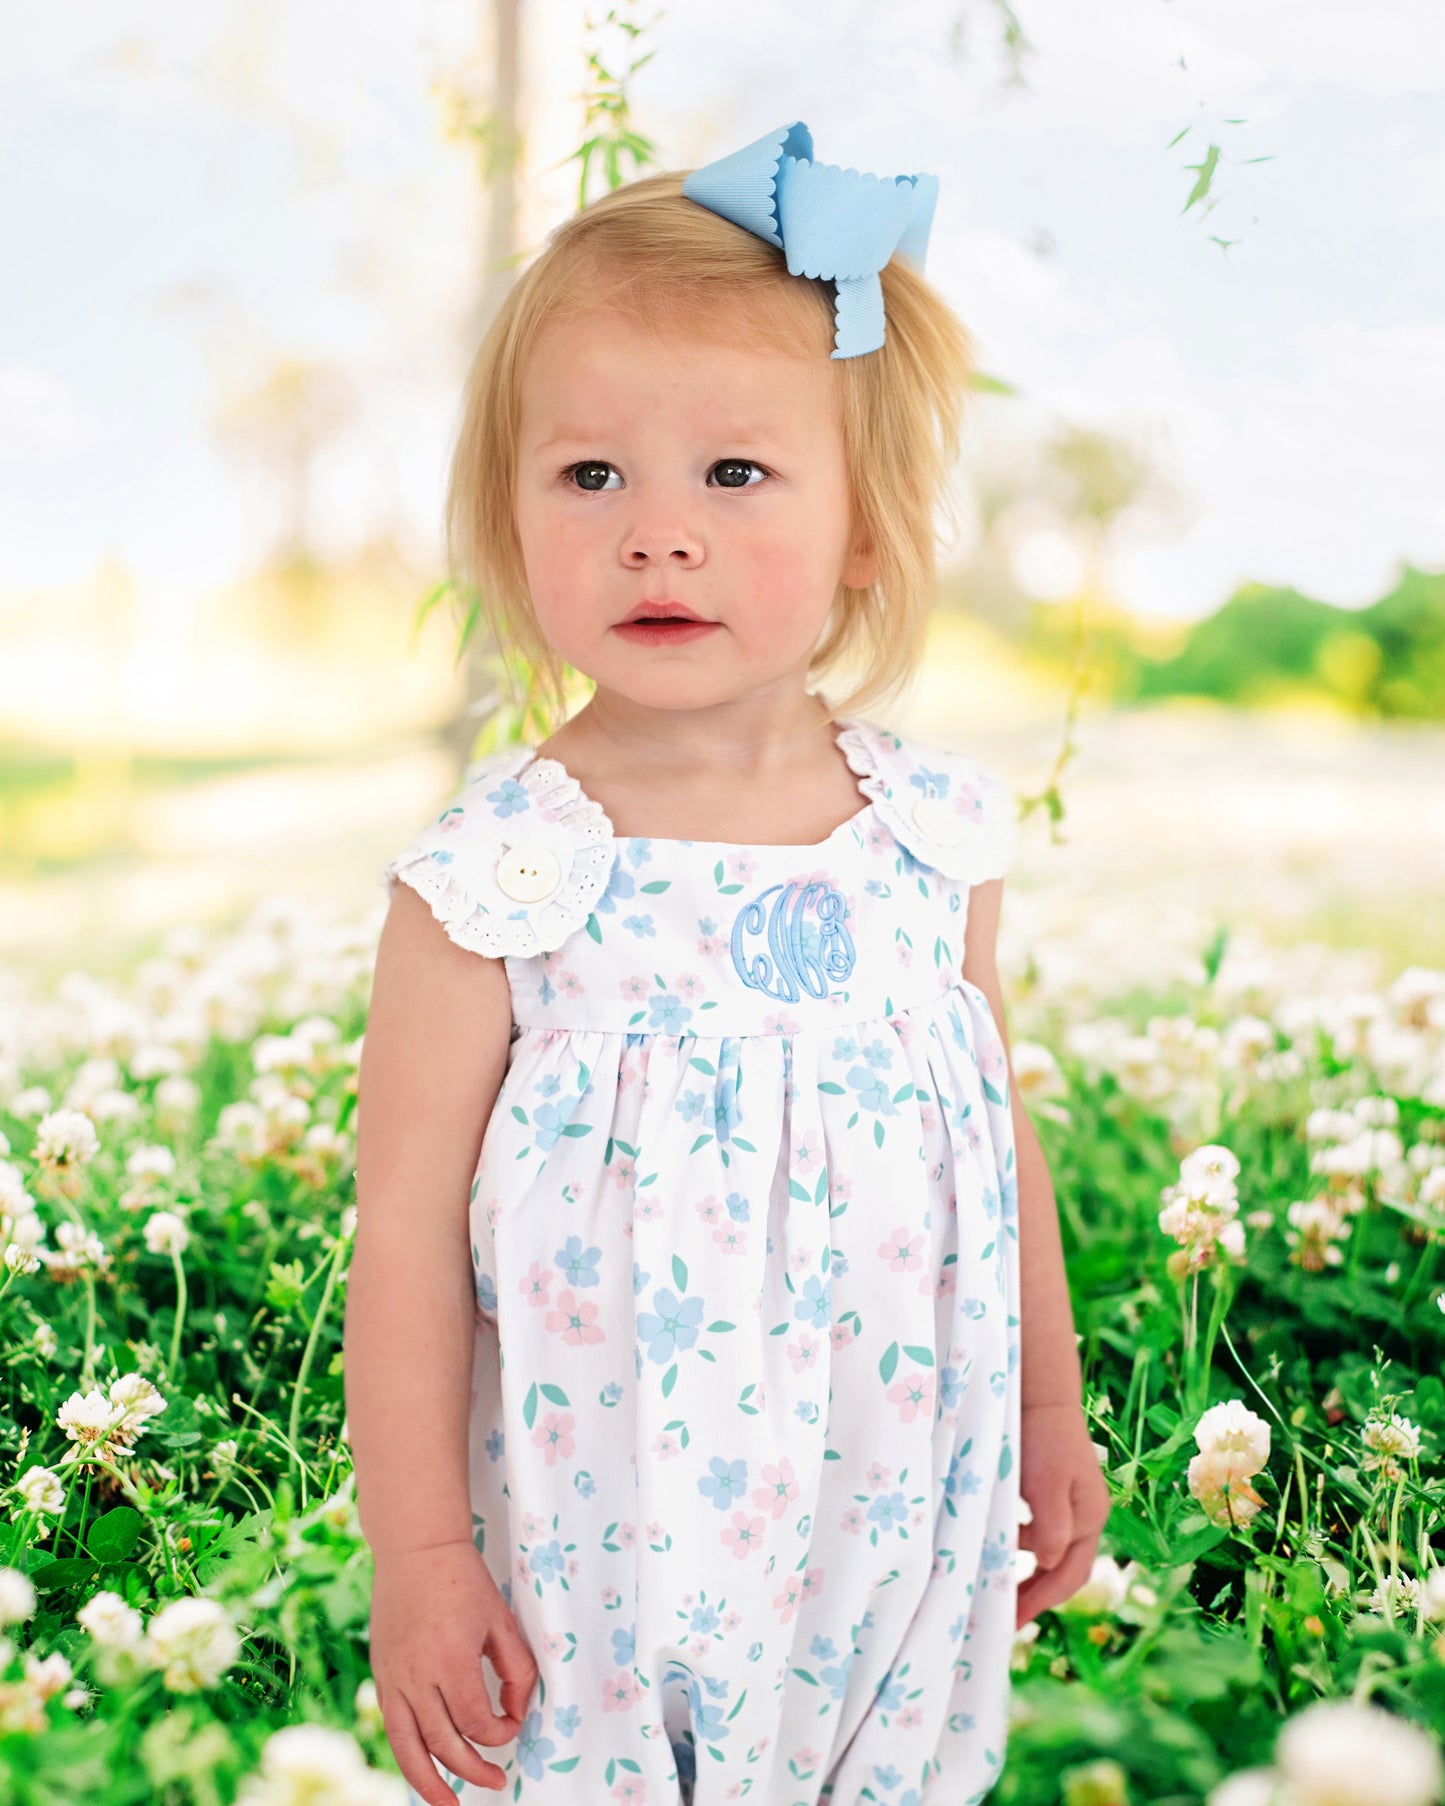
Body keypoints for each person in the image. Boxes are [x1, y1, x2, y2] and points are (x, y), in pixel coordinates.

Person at [344, 120, 1110, 1806]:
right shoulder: (498, 874)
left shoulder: (927, 837)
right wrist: (417, 1549)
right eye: (590, 473)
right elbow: (399, 1218)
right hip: (596, 1525)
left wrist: (1052, 1414)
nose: (656, 535)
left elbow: (997, 1139)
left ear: (862, 528)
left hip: (887, 1496)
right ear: (509, 512)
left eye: (735, 475)